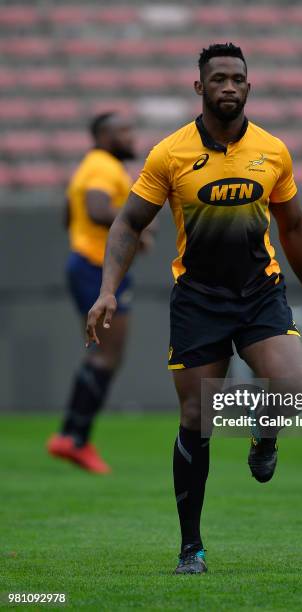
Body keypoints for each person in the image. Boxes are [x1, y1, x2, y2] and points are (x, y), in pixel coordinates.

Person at [85, 44, 302, 572]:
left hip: (260, 293)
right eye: (218, 78)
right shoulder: (169, 154)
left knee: (293, 388)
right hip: (199, 299)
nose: (228, 86)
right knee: (197, 418)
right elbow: (129, 222)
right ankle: (190, 548)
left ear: (249, 86)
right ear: (199, 88)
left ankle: (263, 438)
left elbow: (293, 226)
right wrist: (108, 288)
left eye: (237, 78)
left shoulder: (272, 151)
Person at [47, 112, 154, 474]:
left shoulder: (88, 166)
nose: (130, 136)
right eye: (123, 130)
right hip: (97, 269)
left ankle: (73, 436)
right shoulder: (104, 167)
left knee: (102, 355)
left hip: (85, 263)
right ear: (104, 136)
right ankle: (74, 439)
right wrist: (136, 228)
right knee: (107, 357)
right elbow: (95, 209)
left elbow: (68, 215)